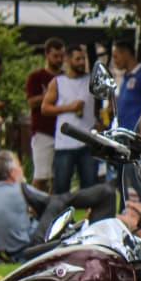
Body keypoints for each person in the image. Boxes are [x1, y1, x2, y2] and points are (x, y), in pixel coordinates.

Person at [0, 150, 139, 260]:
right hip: (31, 250)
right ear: (13, 172)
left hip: (12, 250)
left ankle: (87, 221)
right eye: (20, 166)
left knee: (100, 195)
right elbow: (54, 204)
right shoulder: (19, 189)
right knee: (98, 194)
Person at [42, 44, 99, 193]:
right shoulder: (58, 82)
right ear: (68, 60)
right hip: (64, 143)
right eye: (78, 59)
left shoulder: (91, 81)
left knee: (90, 188)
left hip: (87, 141)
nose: (81, 62)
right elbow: (45, 108)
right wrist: (69, 107)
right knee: (61, 189)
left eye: (83, 59)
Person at [25, 37, 66, 191]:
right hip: (42, 132)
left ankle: (52, 209)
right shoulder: (36, 77)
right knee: (41, 175)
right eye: (55, 56)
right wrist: (50, 95)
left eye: (62, 56)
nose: (59, 59)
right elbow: (31, 101)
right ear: (46, 55)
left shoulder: (66, 77)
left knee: (58, 177)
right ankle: (33, 209)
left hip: (62, 133)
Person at [112, 39, 141, 132]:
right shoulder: (126, 77)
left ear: (126, 54)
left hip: (135, 135)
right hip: (122, 133)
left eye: (116, 57)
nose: (114, 61)